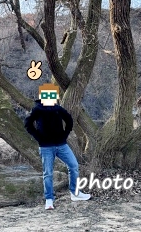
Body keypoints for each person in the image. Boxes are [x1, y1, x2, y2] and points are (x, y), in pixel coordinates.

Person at [24, 82, 92, 210]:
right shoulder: (37, 109)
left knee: (74, 166)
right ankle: (49, 200)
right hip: (46, 147)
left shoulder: (58, 109)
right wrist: (39, 138)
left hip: (61, 145)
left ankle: (75, 193)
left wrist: (65, 134)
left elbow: (69, 120)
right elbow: (28, 124)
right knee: (48, 173)